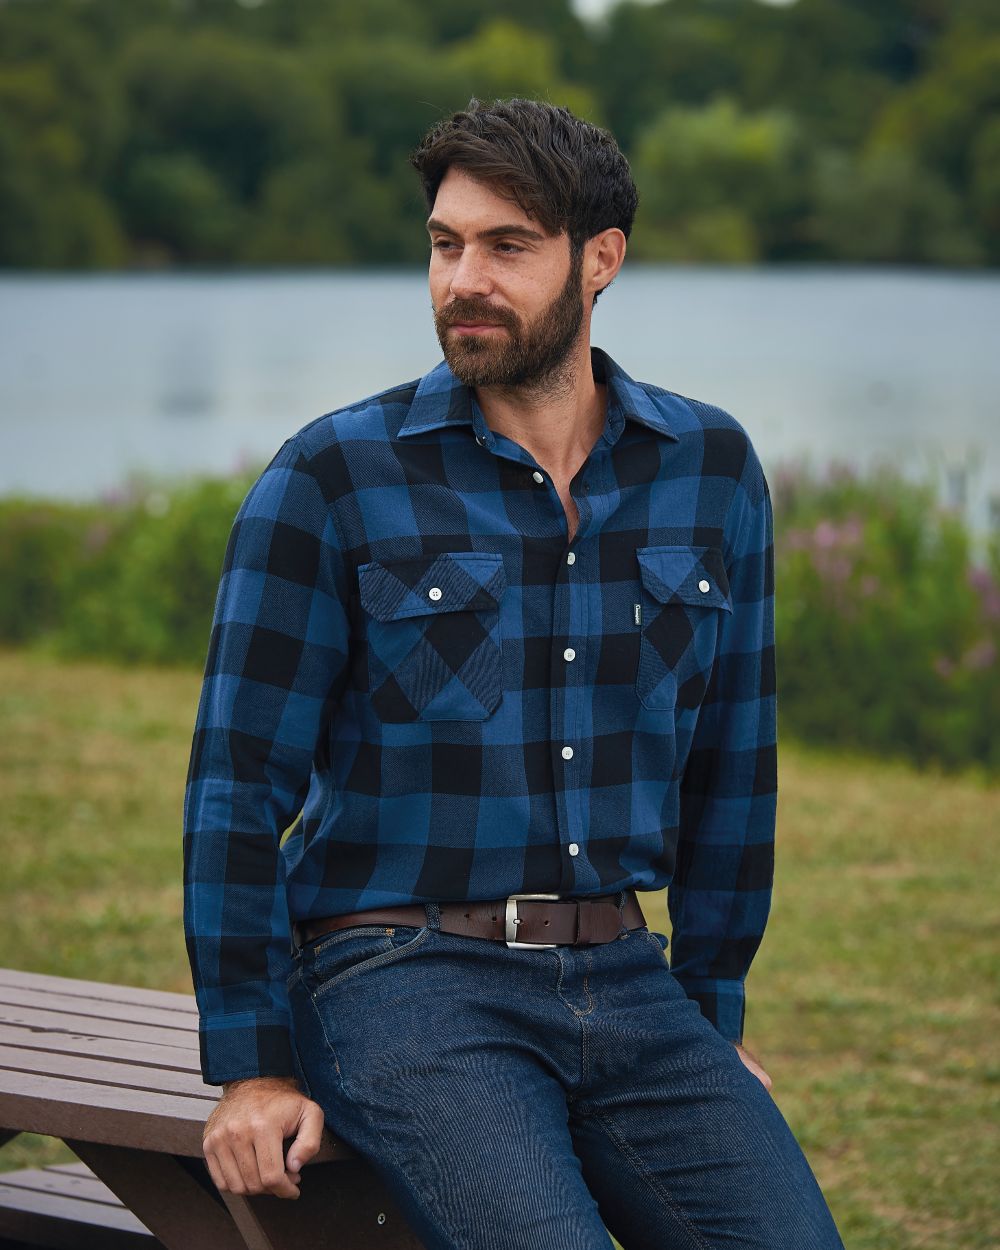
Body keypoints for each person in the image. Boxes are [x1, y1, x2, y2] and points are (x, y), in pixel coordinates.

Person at [183, 97, 844, 1249]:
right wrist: (250, 1065)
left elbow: (733, 766)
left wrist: (710, 1011)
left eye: (506, 246)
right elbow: (236, 785)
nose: (461, 280)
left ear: (600, 260)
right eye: (445, 244)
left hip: (630, 981)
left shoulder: (712, 467)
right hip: (399, 978)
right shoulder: (333, 475)